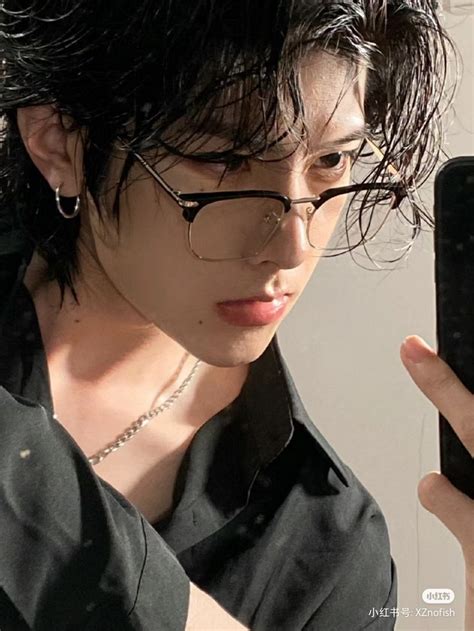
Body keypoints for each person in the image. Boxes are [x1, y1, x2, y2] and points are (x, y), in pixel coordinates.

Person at [0, 0, 472, 629]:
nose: (292, 244)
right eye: (223, 160)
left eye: (330, 161)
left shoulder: (325, 549)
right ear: (59, 142)